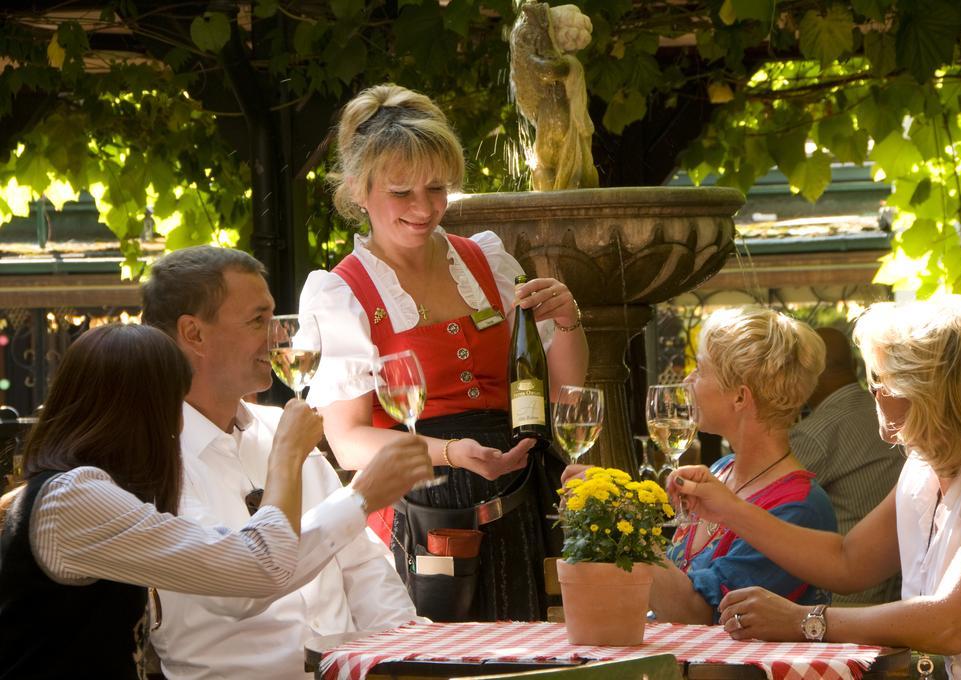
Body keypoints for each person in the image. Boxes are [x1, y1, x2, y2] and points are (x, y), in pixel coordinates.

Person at [299, 83, 589, 621]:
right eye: (401, 192)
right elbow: (347, 442)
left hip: (521, 489)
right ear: (359, 191)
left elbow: (563, 394)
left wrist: (568, 322)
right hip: (423, 507)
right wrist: (450, 452)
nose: (424, 208)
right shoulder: (342, 293)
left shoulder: (486, 261)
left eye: (436, 189)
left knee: (532, 656)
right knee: (443, 663)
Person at [674, 296, 961, 680]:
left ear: (934, 390)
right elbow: (847, 560)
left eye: (882, 378)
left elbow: (950, 624)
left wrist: (806, 621)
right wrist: (728, 509)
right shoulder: (922, 469)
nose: (873, 392)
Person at [142, 246, 432, 680]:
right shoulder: (154, 458)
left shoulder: (280, 425)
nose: (280, 338)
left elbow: (362, 567)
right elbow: (238, 587)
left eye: (275, 319)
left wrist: (409, 656)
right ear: (194, 334)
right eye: (258, 321)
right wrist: (359, 497)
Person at [0, 324, 320, 679]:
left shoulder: (85, 493)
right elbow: (262, 565)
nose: (180, 425)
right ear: (145, 412)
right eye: (176, 404)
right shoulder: (73, 500)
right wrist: (287, 454)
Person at [648, 306, 837, 624]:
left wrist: (621, 528)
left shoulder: (800, 507)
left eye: (701, 369)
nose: (688, 379)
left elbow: (700, 615)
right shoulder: (721, 470)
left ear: (739, 398)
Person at [790, 327, 903, 604]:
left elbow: (771, 503)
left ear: (807, 375)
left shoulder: (815, 434)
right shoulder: (884, 413)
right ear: (854, 365)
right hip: (895, 587)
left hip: (842, 596)